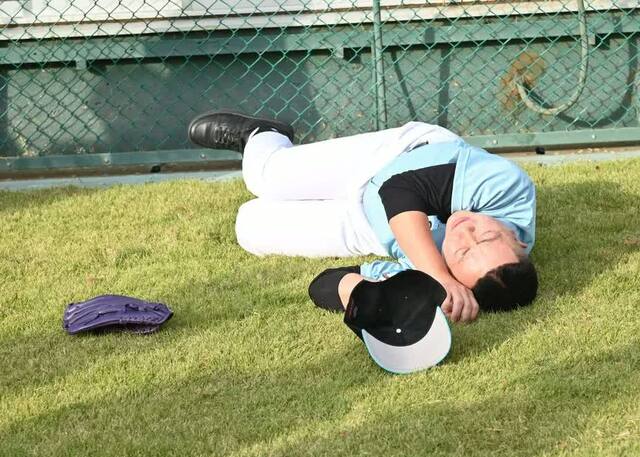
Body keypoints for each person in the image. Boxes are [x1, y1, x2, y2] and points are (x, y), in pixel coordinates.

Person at [188, 111, 538, 323]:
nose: (466, 231)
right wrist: (437, 273)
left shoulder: (438, 279)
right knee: (265, 176)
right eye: (488, 236)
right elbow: (399, 190)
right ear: (518, 241)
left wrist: (395, 299)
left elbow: (325, 284)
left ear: (459, 281)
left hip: (372, 225)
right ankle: (263, 134)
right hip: (393, 160)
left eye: (461, 252)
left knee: (250, 228)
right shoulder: (508, 189)